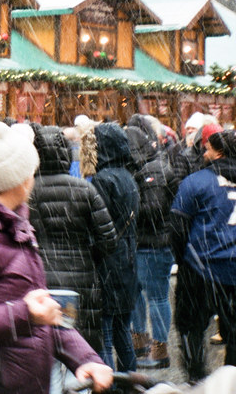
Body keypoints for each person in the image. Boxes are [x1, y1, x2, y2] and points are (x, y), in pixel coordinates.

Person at [0, 118, 114, 394]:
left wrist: (84, 357)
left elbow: (40, 312)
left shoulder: (14, 224)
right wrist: (23, 313)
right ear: (20, 180)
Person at [170, 130, 236, 383]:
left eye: (208, 149)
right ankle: (234, 383)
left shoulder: (196, 182)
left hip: (199, 271)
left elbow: (177, 227)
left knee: (190, 329)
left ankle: (196, 380)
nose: (204, 153)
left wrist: (184, 260)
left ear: (219, 153)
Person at [29, 123, 117, 394]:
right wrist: (87, 257)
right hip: (81, 281)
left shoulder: (27, 191)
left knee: (48, 353)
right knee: (80, 354)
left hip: (40, 280)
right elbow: (108, 239)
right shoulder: (84, 190)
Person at [125, 114, 180, 369]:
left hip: (155, 244)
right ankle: (140, 341)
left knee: (157, 297)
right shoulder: (148, 165)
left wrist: (128, 212)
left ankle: (160, 350)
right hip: (144, 242)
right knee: (136, 293)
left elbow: (154, 208)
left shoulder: (154, 169)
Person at [89, 122, 140, 372]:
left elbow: (98, 226)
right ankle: (131, 381)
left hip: (108, 263)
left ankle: (108, 385)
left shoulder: (102, 180)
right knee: (122, 332)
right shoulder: (129, 177)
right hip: (128, 260)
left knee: (105, 336)